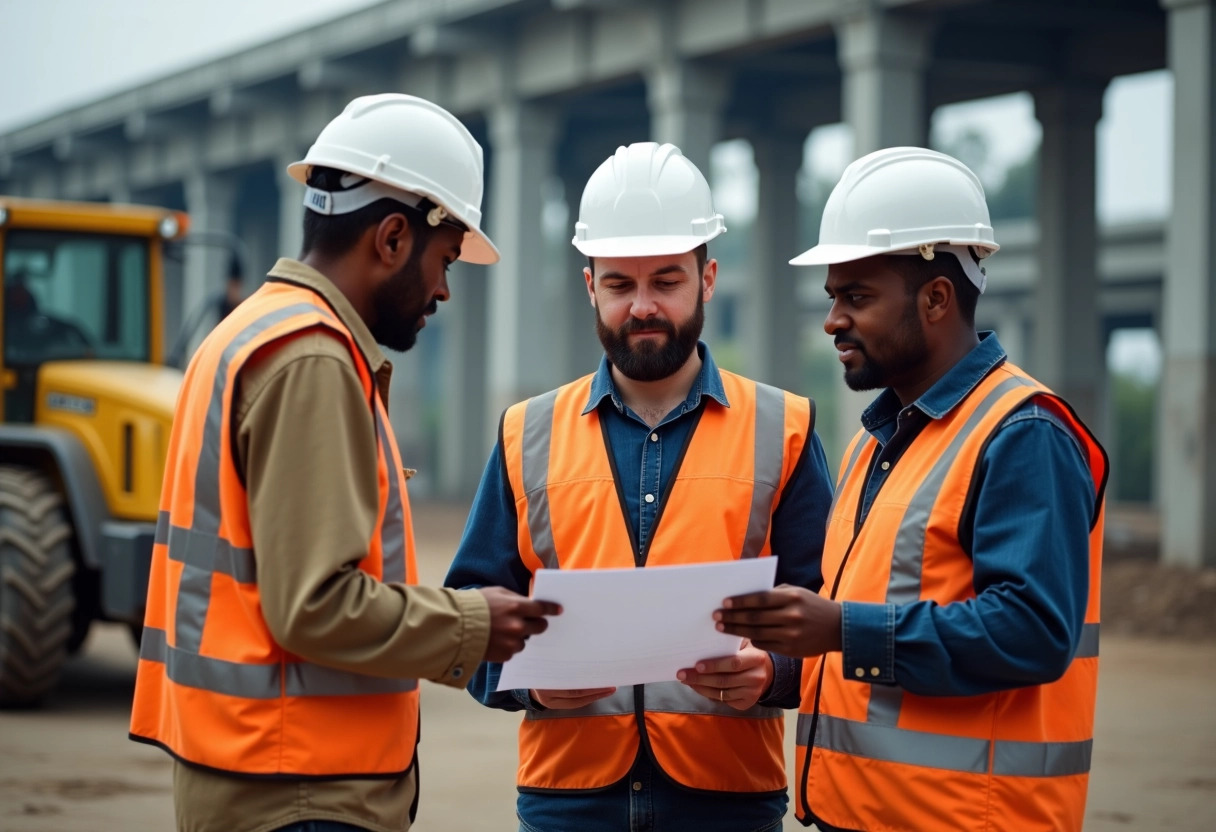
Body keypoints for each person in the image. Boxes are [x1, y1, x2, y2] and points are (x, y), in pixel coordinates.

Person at [130, 93, 560, 832]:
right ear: (393, 238)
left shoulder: (245, 333)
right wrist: (472, 623)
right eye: (445, 259)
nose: (444, 290)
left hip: (251, 771)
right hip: (301, 788)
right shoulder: (312, 360)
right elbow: (315, 606)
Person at [444, 141, 835, 832]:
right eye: (620, 284)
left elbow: (834, 615)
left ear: (708, 278)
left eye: (666, 281)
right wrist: (532, 682)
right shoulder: (526, 432)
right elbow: (466, 619)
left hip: (728, 800)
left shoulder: (786, 428)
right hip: (568, 800)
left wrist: (772, 672)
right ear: (590, 284)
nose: (643, 306)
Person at [716, 147, 1107, 832]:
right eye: (834, 297)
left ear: (935, 298)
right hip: (862, 814)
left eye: (856, 297)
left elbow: (1033, 632)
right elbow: (868, 630)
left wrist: (837, 627)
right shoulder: (878, 442)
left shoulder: (1022, 434)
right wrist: (779, 673)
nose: (833, 319)